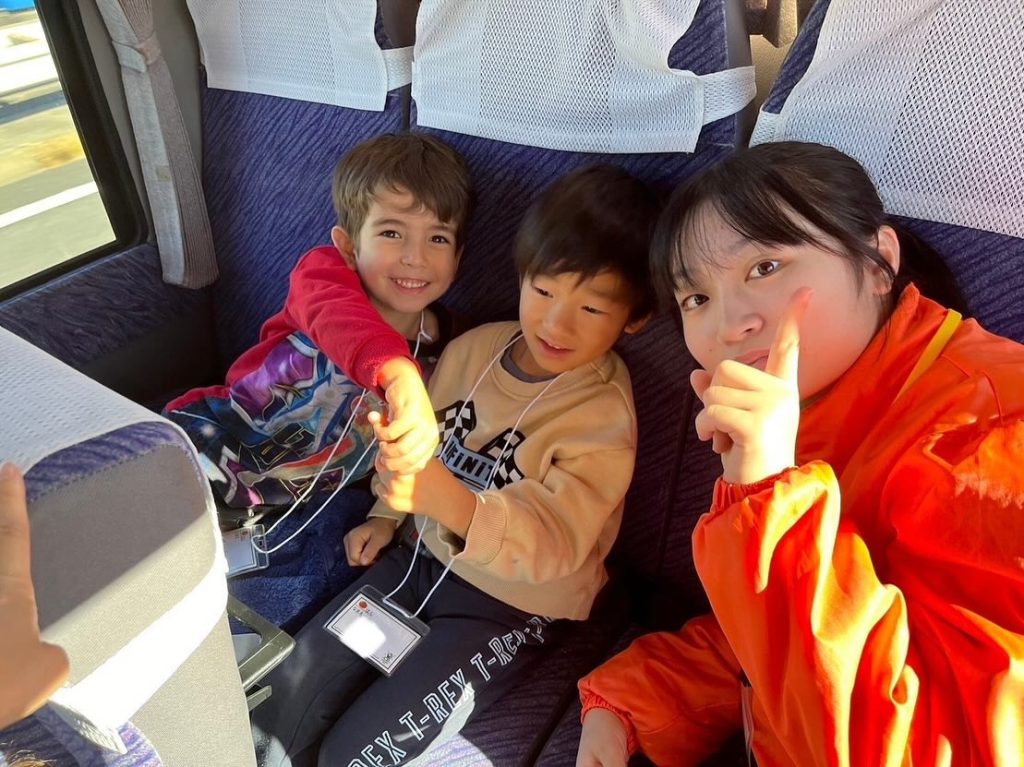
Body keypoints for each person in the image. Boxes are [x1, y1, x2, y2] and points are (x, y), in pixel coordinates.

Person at [574, 141, 1024, 766]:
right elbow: (780, 632)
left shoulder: (992, 434)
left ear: (879, 262)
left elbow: (939, 744)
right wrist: (635, 702)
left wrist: (768, 495)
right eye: (696, 299)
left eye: (766, 267)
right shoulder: (820, 401)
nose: (729, 325)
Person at [250, 165, 662, 767]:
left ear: (634, 318)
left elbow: (557, 543)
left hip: (510, 603)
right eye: (543, 292)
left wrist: (450, 502)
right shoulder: (476, 349)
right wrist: (387, 514)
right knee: (278, 709)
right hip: (416, 562)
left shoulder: (601, 413)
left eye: (593, 308)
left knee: (356, 753)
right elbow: (419, 446)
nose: (556, 323)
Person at [164, 133, 473, 512]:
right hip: (211, 442)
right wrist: (398, 374)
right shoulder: (323, 278)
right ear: (348, 247)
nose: (415, 257)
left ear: (458, 258)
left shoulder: (459, 347)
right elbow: (340, 321)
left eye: (438, 238)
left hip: (302, 500)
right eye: (391, 233)